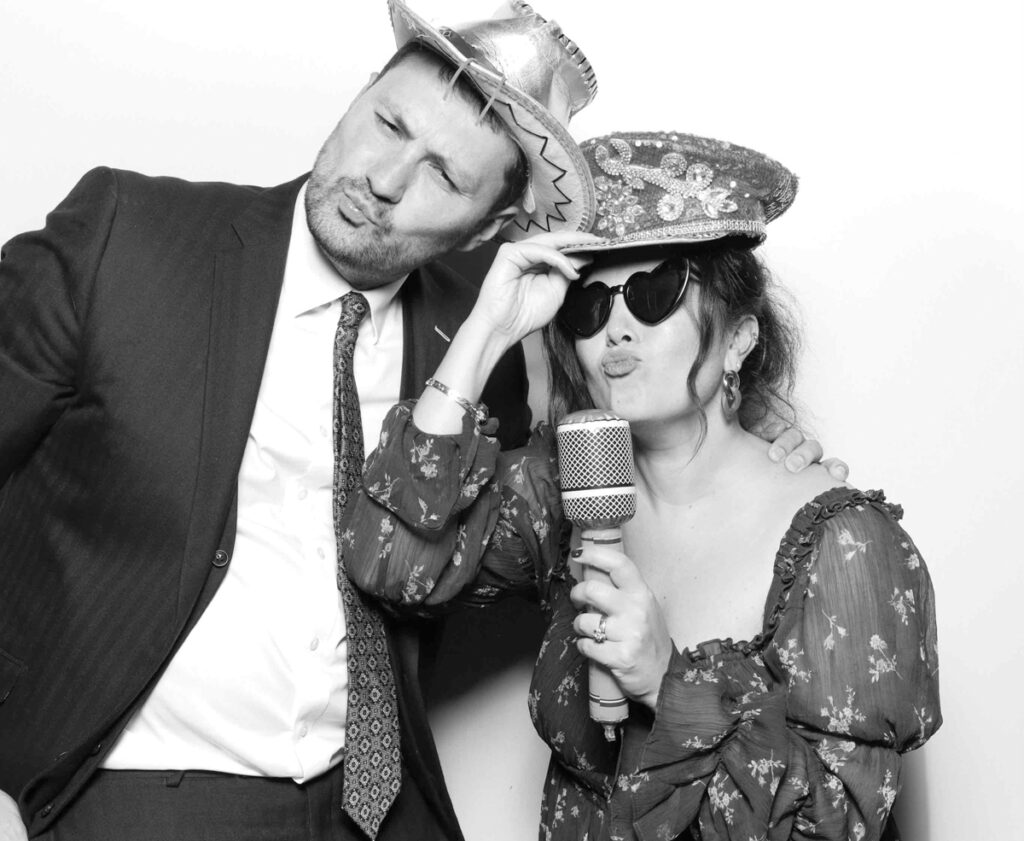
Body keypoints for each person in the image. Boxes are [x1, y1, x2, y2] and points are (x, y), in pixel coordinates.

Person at [0, 2, 616, 839]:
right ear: (360, 93)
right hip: (137, 787)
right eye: (388, 122)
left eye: (445, 175)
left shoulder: (484, 343)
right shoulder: (127, 238)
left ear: (488, 225)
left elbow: (452, 562)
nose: (386, 178)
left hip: (375, 799)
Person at [340, 131, 940, 840]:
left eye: (655, 293)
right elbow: (388, 564)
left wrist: (666, 684)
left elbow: (835, 826)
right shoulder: (567, 489)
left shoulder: (848, 548)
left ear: (740, 338)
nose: (616, 329)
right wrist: (486, 329)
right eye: (591, 306)